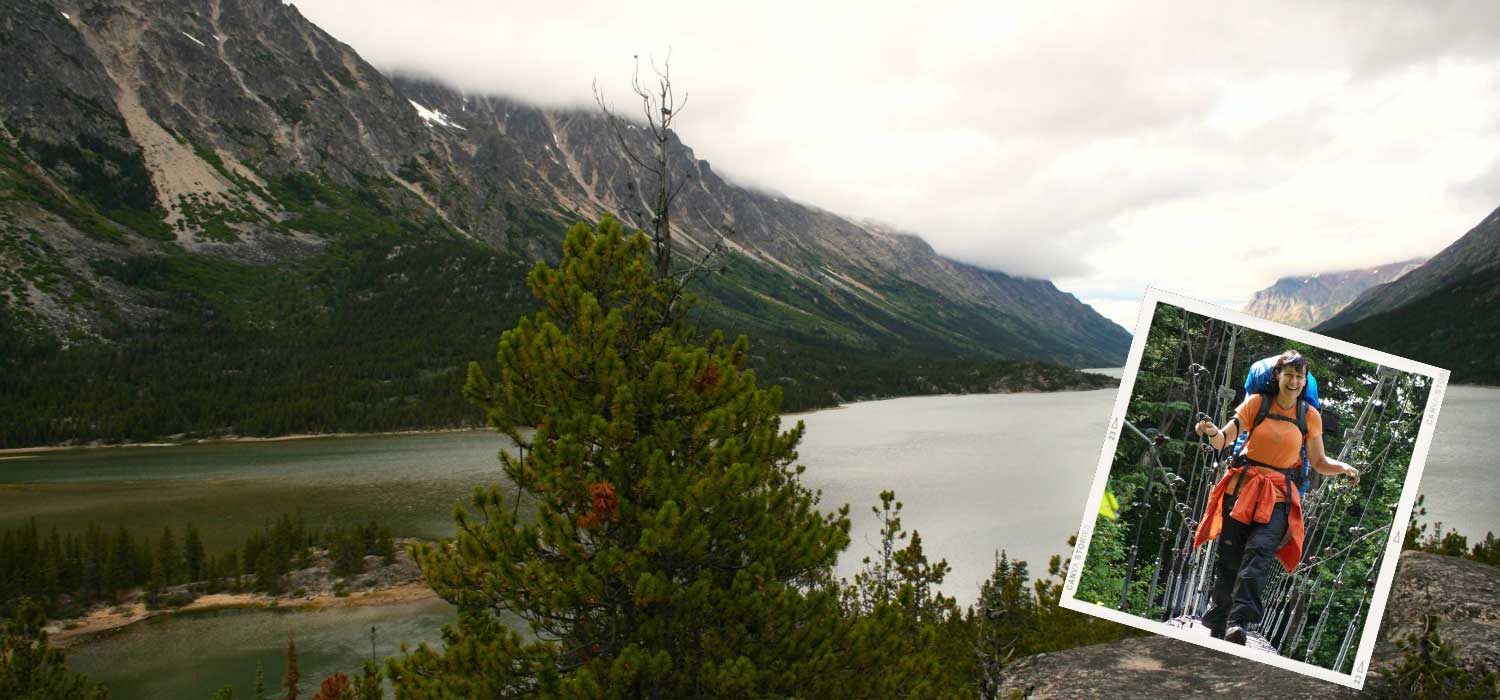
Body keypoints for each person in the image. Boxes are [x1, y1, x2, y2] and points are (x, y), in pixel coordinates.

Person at [1190, 350, 1360, 646]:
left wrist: (1342, 467)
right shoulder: (1257, 404)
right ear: (1277, 376)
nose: (1294, 381)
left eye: (1299, 376)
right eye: (1289, 374)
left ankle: (1238, 622)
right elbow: (1225, 439)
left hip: (1279, 497)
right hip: (1240, 491)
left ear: (1304, 381)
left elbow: (1319, 462)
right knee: (1230, 561)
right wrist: (1212, 431)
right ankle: (1221, 618)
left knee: (1258, 554)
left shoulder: (1310, 416)